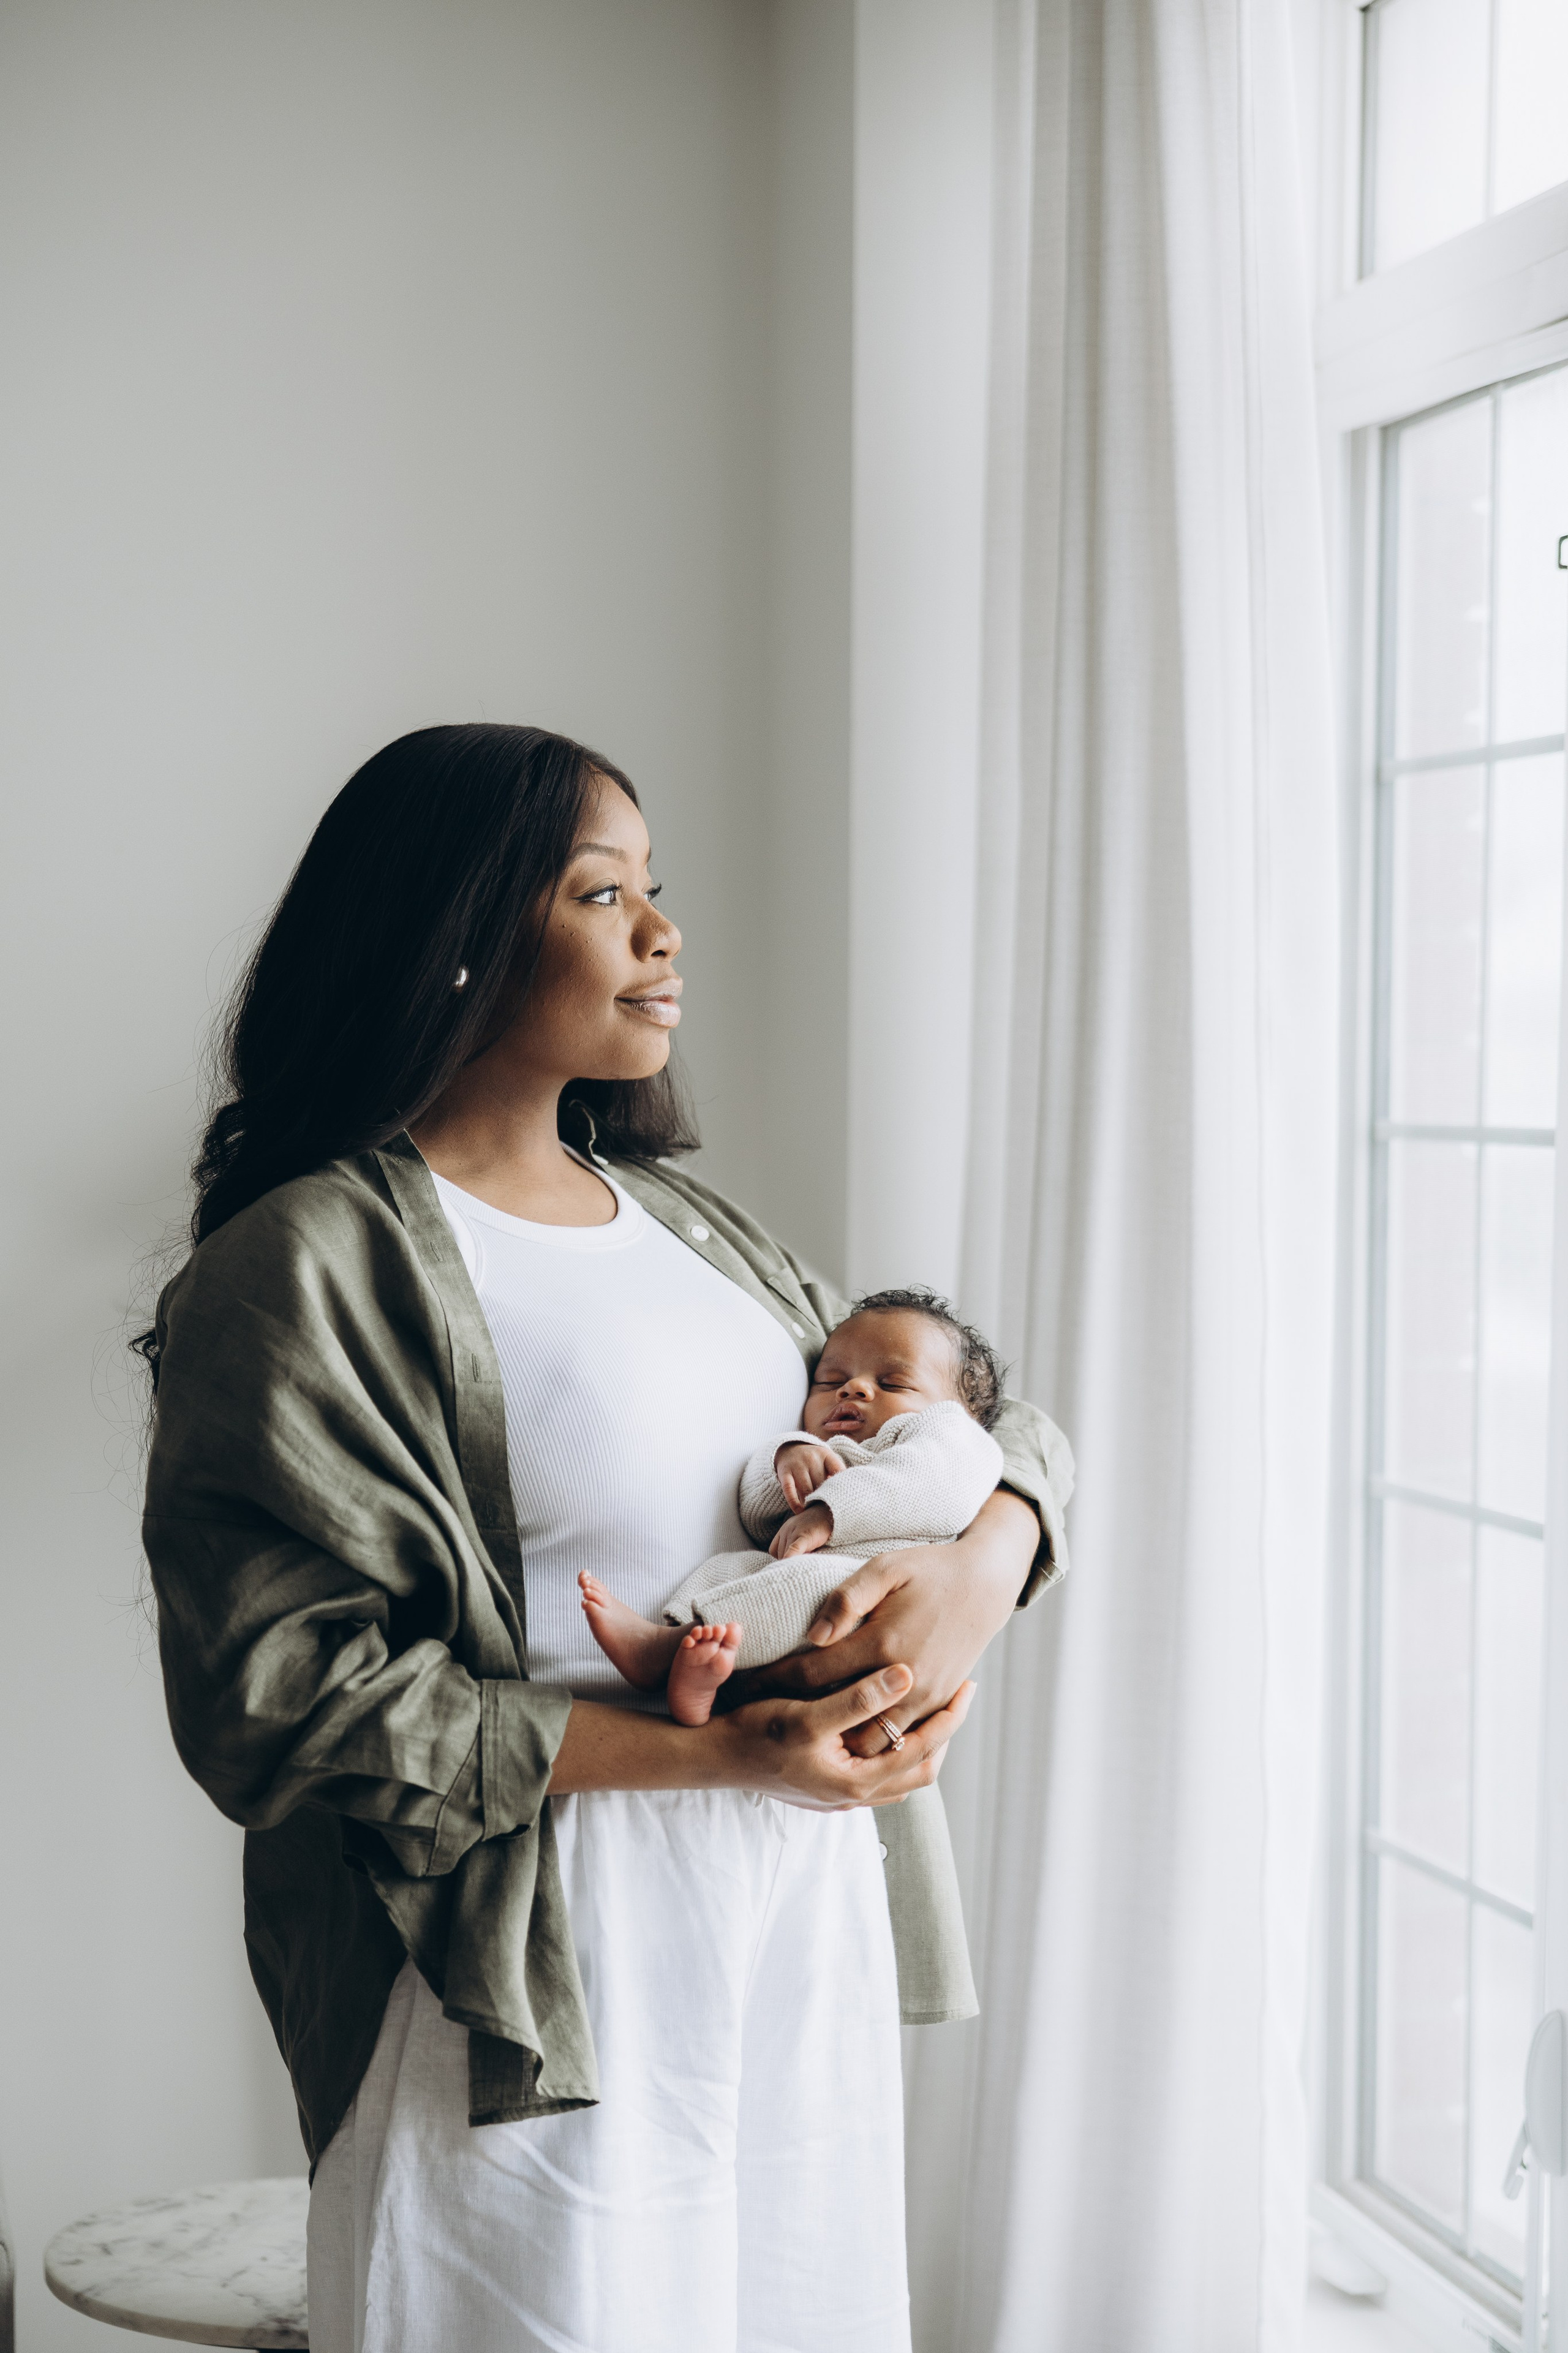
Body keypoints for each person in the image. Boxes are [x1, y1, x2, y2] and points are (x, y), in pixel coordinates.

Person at [138, 724, 1073, 2353]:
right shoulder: (304, 1269)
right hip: (524, 1994)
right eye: (603, 893)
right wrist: (733, 1758)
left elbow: (971, 1418)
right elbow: (277, 1703)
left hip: (792, 1950)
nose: (664, 932)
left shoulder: (700, 1232)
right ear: (460, 934)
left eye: (659, 890)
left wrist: (985, 1568)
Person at [578, 1290, 1008, 1726]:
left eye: (893, 1383)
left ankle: (660, 1653)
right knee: (733, 1568)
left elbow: (929, 1484)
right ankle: (703, 1669)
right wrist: (787, 1457)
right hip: (796, 1600)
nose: (853, 1387)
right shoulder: (820, 1449)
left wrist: (828, 1512)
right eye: (829, 1380)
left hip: (868, 1595)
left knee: (807, 1585)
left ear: (965, 1413)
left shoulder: (953, 1441)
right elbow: (755, 1514)